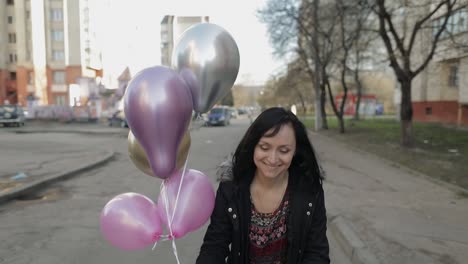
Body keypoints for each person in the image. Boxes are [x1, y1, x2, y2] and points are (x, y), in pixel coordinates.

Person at [196, 107, 329, 264]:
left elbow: (317, 253)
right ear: (253, 145)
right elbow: (214, 246)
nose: (272, 159)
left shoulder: (309, 190)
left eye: (284, 150)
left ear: (295, 151)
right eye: (264, 147)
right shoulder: (231, 188)